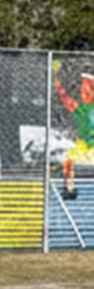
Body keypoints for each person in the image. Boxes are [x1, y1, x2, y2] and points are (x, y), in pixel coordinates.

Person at [54, 70, 94, 202]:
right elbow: (64, 97)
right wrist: (57, 83)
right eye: (83, 90)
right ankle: (69, 189)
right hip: (85, 144)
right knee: (68, 161)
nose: (84, 93)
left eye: (87, 90)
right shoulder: (78, 108)